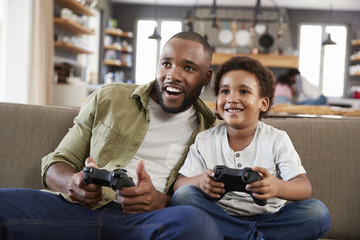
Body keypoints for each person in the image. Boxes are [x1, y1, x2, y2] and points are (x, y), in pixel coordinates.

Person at [0, 32, 223, 240]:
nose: (173, 75)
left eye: (189, 68)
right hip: (75, 210)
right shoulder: (110, 98)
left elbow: (206, 199)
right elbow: (57, 163)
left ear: (206, 77)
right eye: (166, 63)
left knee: (198, 225)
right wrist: (72, 184)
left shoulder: (213, 131)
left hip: (143, 222)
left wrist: (160, 201)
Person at [171, 56, 331, 240]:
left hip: (270, 218)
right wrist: (200, 182)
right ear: (217, 101)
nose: (232, 98)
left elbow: (303, 187)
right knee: (183, 196)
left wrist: (276, 186)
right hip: (221, 216)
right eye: (225, 91)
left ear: (263, 103)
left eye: (244, 92)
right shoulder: (205, 140)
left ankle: (241, 236)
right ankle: (253, 237)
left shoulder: (276, 139)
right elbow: (179, 185)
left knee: (317, 212)